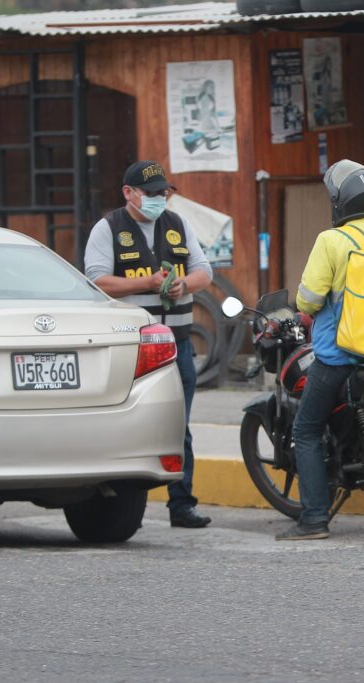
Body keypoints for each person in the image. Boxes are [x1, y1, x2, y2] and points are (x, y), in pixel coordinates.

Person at [277, 159, 364, 541]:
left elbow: (308, 299)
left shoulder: (332, 241)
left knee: (306, 431)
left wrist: (306, 309)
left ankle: (314, 520)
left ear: (342, 204)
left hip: (341, 358)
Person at [84, 160, 213, 529]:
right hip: (131, 348)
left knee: (179, 426)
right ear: (129, 193)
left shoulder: (177, 224)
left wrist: (184, 284)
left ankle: (182, 504)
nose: (160, 199)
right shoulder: (108, 228)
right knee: (124, 424)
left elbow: (205, 270)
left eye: (164, 192)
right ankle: (120, 504)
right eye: (152, 193)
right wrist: (145, 284)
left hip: (178, 345)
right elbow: (97, 281)